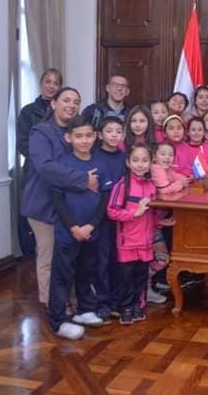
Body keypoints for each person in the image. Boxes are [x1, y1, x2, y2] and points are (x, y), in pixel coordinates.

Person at [21, 87, 98, 305]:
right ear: (53, 104)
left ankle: (68, 300)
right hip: (42, 207)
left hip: (70, 208)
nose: (72, 105)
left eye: (76, 101)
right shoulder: (40, 132)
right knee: (48, 258)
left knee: (68, 259)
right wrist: (83, 179)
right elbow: (45, 168)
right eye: (66, 100)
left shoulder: (78, 132)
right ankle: (51, 305)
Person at [48, 116, 112, 340]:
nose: (84, 140)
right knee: (62, 276)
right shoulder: (63, 165)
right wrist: (74, 227)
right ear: (68, 138)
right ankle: (58, 321)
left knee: (87, 271)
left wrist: (91, 225)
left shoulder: (100, 164)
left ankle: (85, 310)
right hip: (68, 231)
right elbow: (58, 200)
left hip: (92, 231)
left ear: (95, 137)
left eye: (88, 135)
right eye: (78, 136)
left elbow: (104, 200)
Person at [107, 144, 157, 325]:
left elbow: (152, 213)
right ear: (128, 162)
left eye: (145, 160)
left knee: (141, 276)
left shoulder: (152, 186)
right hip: (127, 242)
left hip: (145, 242)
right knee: (125, 277)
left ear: (151, 162)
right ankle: (125, 307)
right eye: (135, 160)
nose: (140, 164)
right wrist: (133, 213)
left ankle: (137, 305)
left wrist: (161, 222)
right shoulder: (122, 185)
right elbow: (111, 211)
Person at [17, 68, 63, 255]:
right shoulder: (29, 111)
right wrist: (44, 158)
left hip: (60, 172)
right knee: (39, 228)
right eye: (48, 82)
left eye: (56, 83)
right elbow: (23, 143)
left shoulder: (64, 110)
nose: (52, 86)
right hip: (36, 172)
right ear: (41, 83)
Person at [91, 116, 126, 322]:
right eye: (109, 131)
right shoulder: (94, 157)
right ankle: (101, 302)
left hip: (121, 217)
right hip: (100, 217)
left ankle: (116, 301)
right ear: (100, 135)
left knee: (117, 259)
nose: (114, 135)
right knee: (101, 260)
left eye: (118, 132)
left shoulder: (124, 157)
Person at [149, 142, 190, 304]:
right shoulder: (156, 168)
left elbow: (179, 177)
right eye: (163, 154)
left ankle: (153, 284)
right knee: (159, 258)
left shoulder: (166, 170)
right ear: (154, 156)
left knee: (161, 257)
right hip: (149, 222)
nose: (167, 158)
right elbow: (164, 189)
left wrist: (183, 180)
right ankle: (144, 286)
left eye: (170, 155)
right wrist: (180, 184)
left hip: (158, 221)